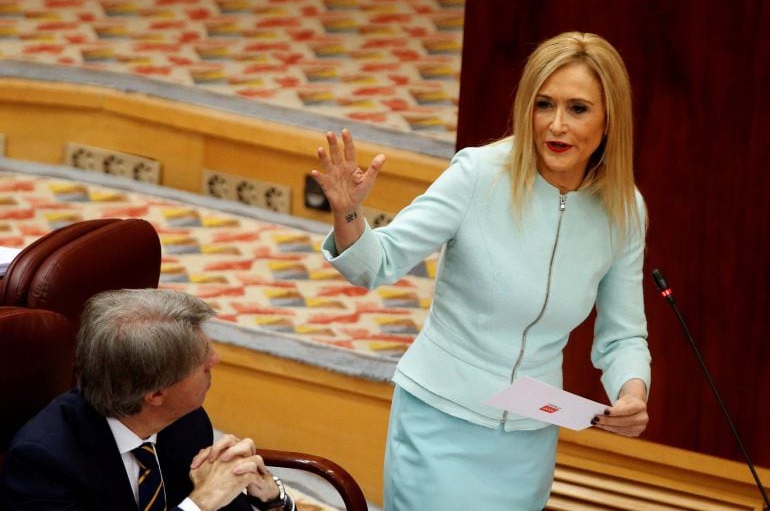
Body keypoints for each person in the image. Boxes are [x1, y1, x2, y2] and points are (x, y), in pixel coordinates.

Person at [310, 31, 651, 510]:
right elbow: (376, 265)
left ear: (609, 118)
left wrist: (631, 391)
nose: (556, 125)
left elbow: (622, 335)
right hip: (440, 421)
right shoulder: (477, 175)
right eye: (543, 104)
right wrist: (348, 212)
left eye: (578, 109)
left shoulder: (623, 209)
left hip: (529, 435)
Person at [2, 288, 295, 511]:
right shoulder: (44, 463)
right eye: (201, 362)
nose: (214, 360)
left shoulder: (184, 421)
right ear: (155, 393)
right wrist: (199, 504)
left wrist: (269, 497)